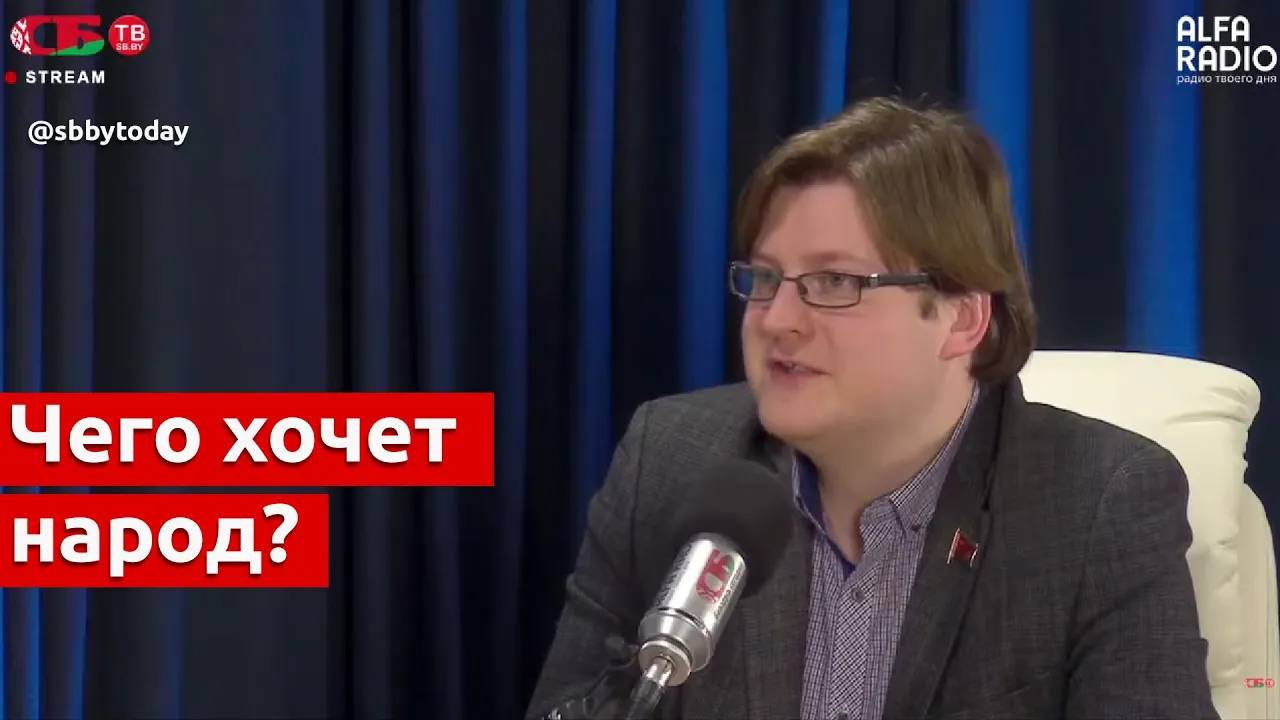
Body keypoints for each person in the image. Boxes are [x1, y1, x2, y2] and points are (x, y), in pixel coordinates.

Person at [526, 97, 1218, 720]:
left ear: (962, 319)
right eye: (766, 278)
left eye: (835, 281)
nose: (777, 319)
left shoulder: (1097, 505)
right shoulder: (671, 460)